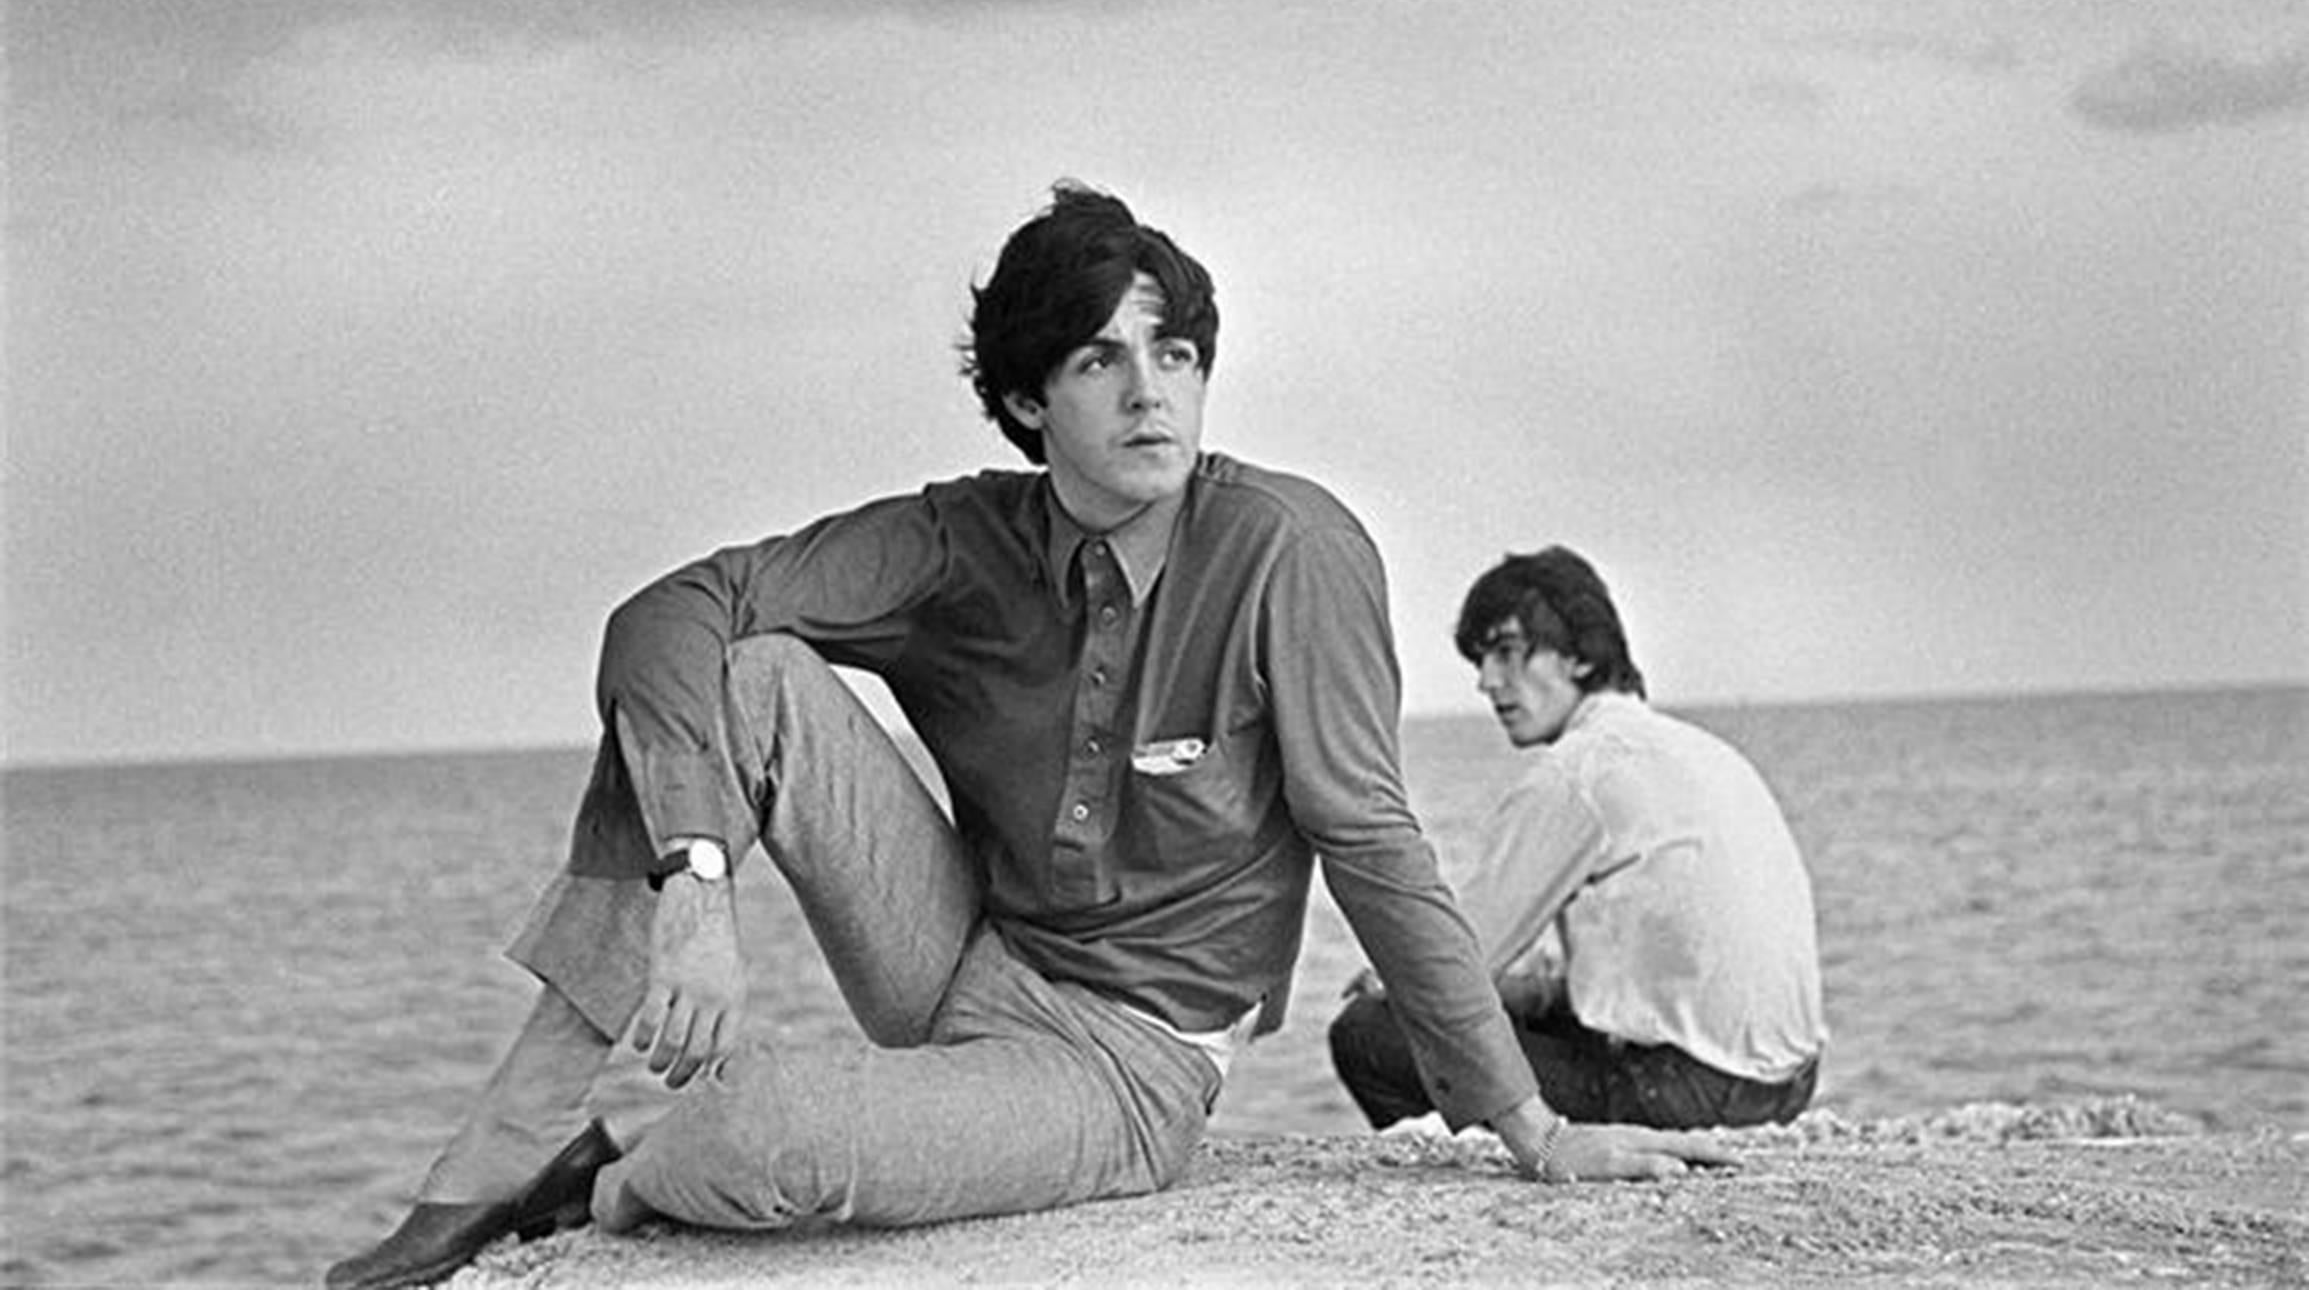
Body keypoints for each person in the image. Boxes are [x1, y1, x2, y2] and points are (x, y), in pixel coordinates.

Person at [326, 187, 1726, 1290]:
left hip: (1121, 1068)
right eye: (1100, 359)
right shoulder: (963, 541)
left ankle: (609, 1173)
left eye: (1173, 354)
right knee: (744, 670)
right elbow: (671, 613)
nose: (1151, 394)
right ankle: (505, 1143)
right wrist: (698, 883)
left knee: (769, 1136)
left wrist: (1526, 1128)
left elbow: (1372, 845)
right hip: (963, 957)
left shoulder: (1289, 551)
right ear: (1023, 402)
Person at [1328, 546, 1827, 1136]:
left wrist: (1394, 979)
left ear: (1581, 657)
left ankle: (1460, 1180)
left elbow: (1456, 967)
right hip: (1783, 1082)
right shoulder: (1694, 750)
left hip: (1691, 1091)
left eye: (1509, 654)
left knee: (1370, 1032)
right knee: (1505, 1004)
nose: (1488, 683)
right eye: (1482, 662)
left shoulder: (1580, 772)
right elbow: (1643, 972)